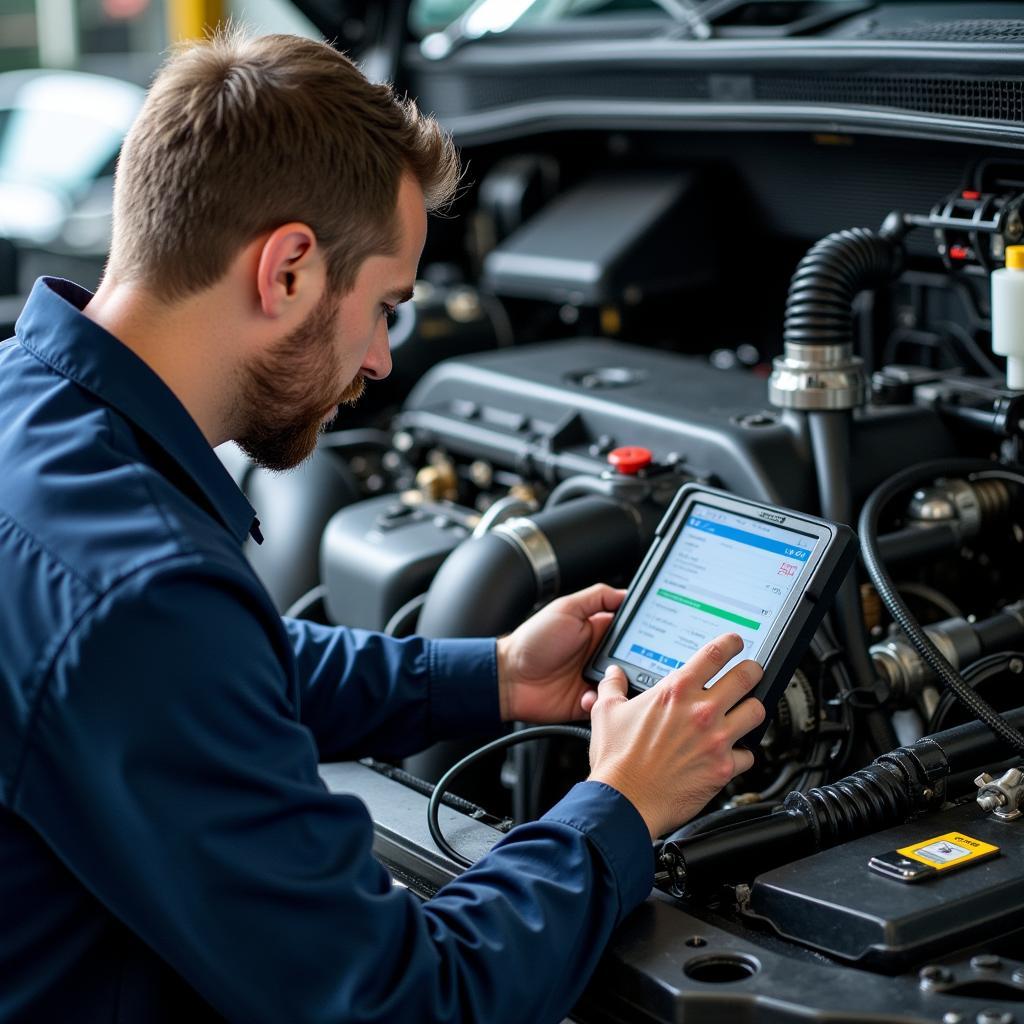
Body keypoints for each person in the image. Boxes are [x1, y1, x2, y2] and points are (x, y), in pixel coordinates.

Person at [0, 30, 765, 1024]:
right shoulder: (140, 594)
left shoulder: (32, 414)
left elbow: (213, 672)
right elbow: (406, 1002)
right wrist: (621, 805)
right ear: (287, 270)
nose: (380, 363)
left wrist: (487, 674)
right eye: (385, 310)